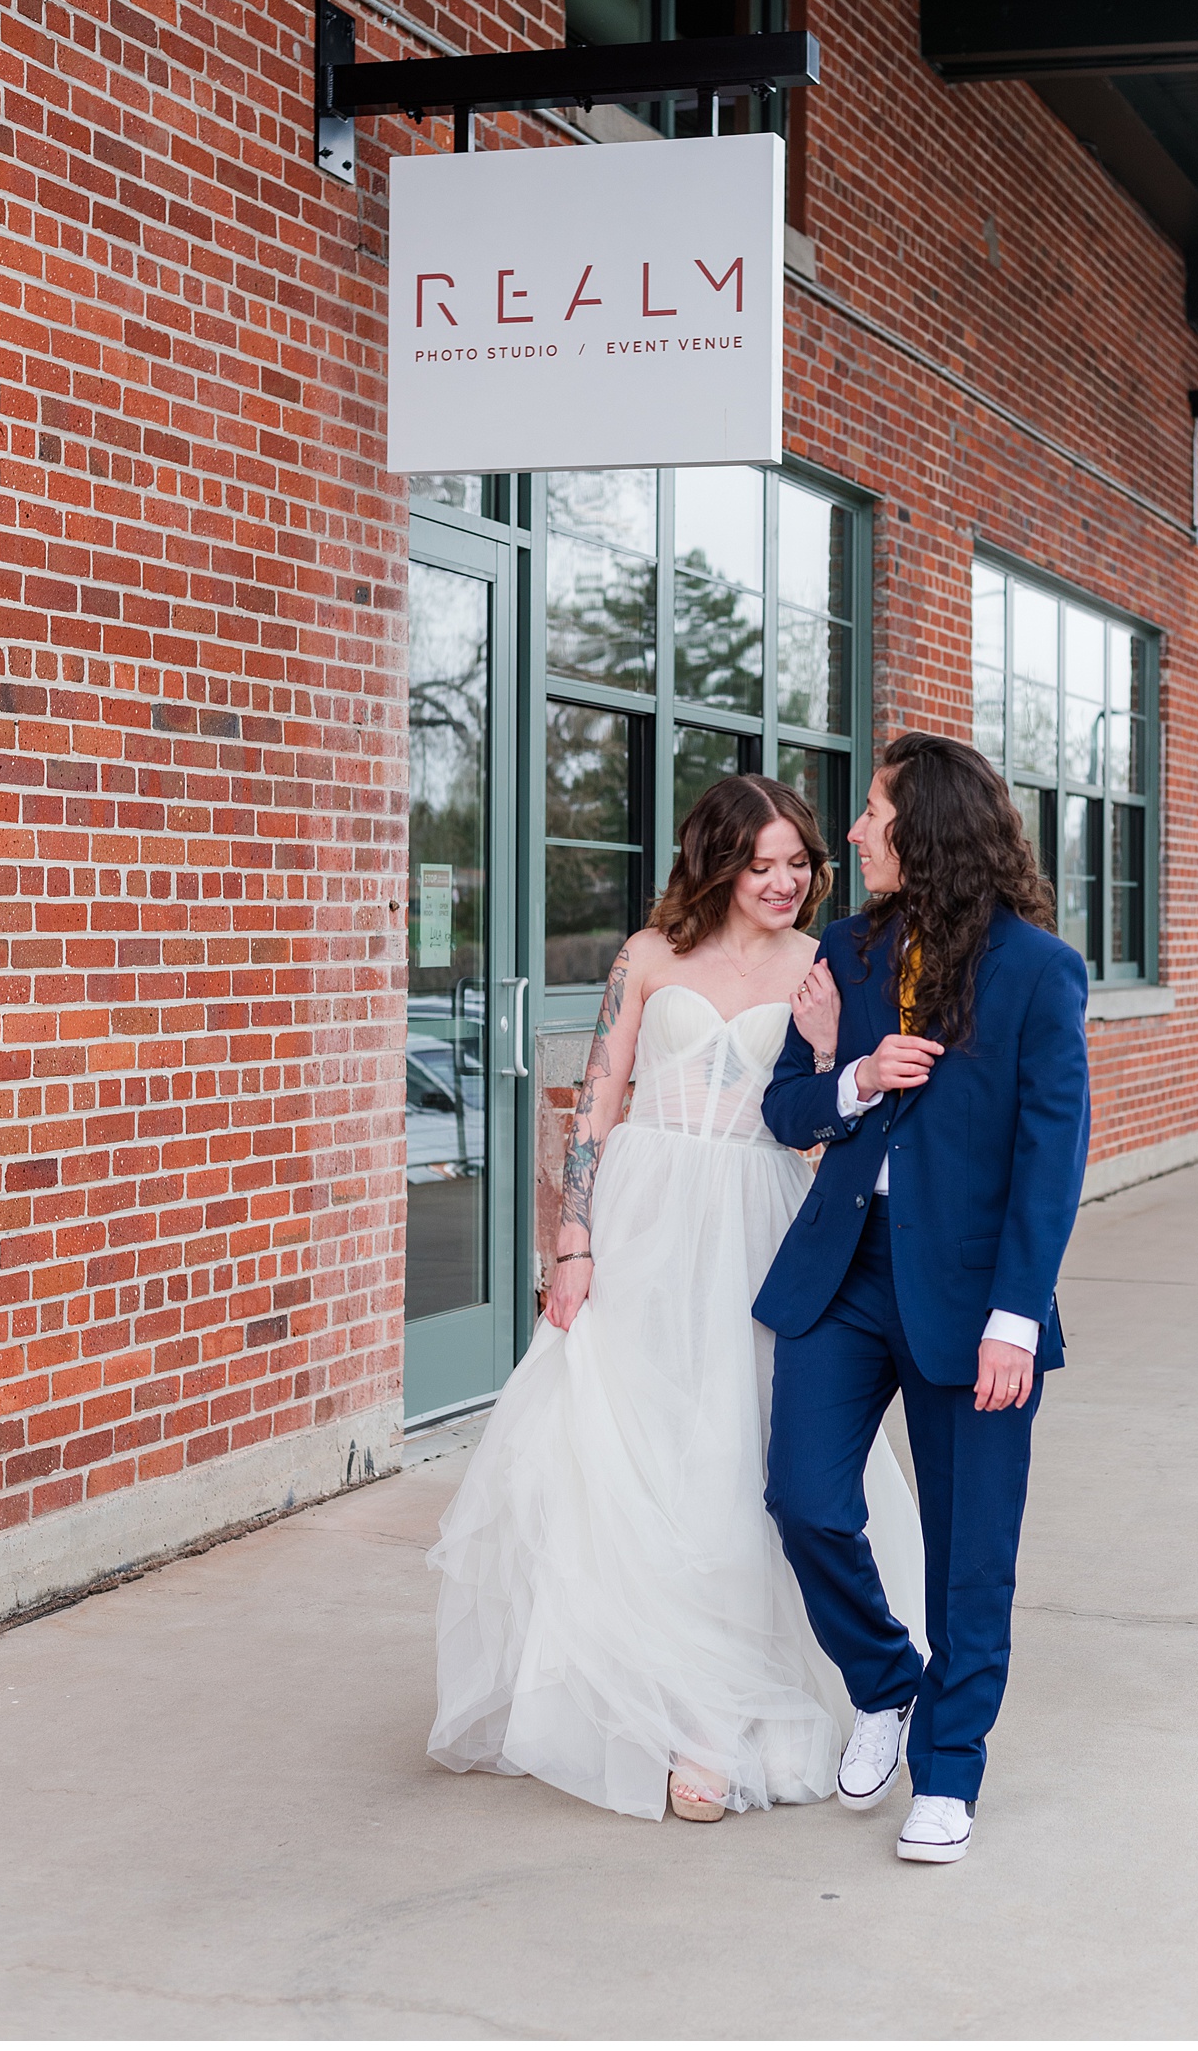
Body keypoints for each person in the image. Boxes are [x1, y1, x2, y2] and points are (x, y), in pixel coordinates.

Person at [426, 776, 926, 1824]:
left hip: (761, 1216)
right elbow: (596, 1097)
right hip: (648, 1218)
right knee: (634, 1450)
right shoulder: (648, 956)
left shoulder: (826, 961)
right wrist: (572, 1238)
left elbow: (821, 1119)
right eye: (762, 862)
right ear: (717, 860)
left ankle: (727, 1719)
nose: (785, 880)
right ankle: (654, 1715)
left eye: (798, 861)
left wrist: (835, 1046)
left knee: (739, 1457)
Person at [757, 732, 1090, 1865]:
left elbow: (1053, 1157)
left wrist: (1016, 1313)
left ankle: (951, 1771)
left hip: (974, 1292)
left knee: (969, 1552)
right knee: (802, 1498)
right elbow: (787, 1109)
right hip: (844, 1271)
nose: (850, 833)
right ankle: (886, 1680)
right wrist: (851, 1075)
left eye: (869, 811)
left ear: (926, 826)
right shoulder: (844, 951)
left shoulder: (1039, 970)